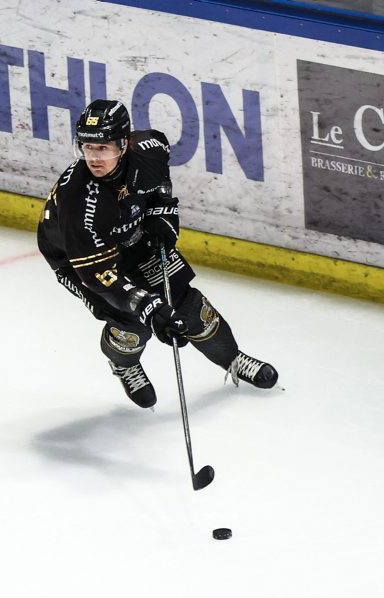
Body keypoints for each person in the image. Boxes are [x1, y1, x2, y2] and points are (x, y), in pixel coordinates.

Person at [37, 99, 277, 408]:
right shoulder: (79, 200)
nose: (94, 158)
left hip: (131, 235)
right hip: (78, 260)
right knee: (131, 321)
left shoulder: (147, 149)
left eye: (103, 148)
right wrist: (148, 307)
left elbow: (160, 165)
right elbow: (99, 275)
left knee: (188, 306)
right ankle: (123, 363)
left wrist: (162, 209)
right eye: (87, 148)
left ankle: (232, 358)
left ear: (124, 145)